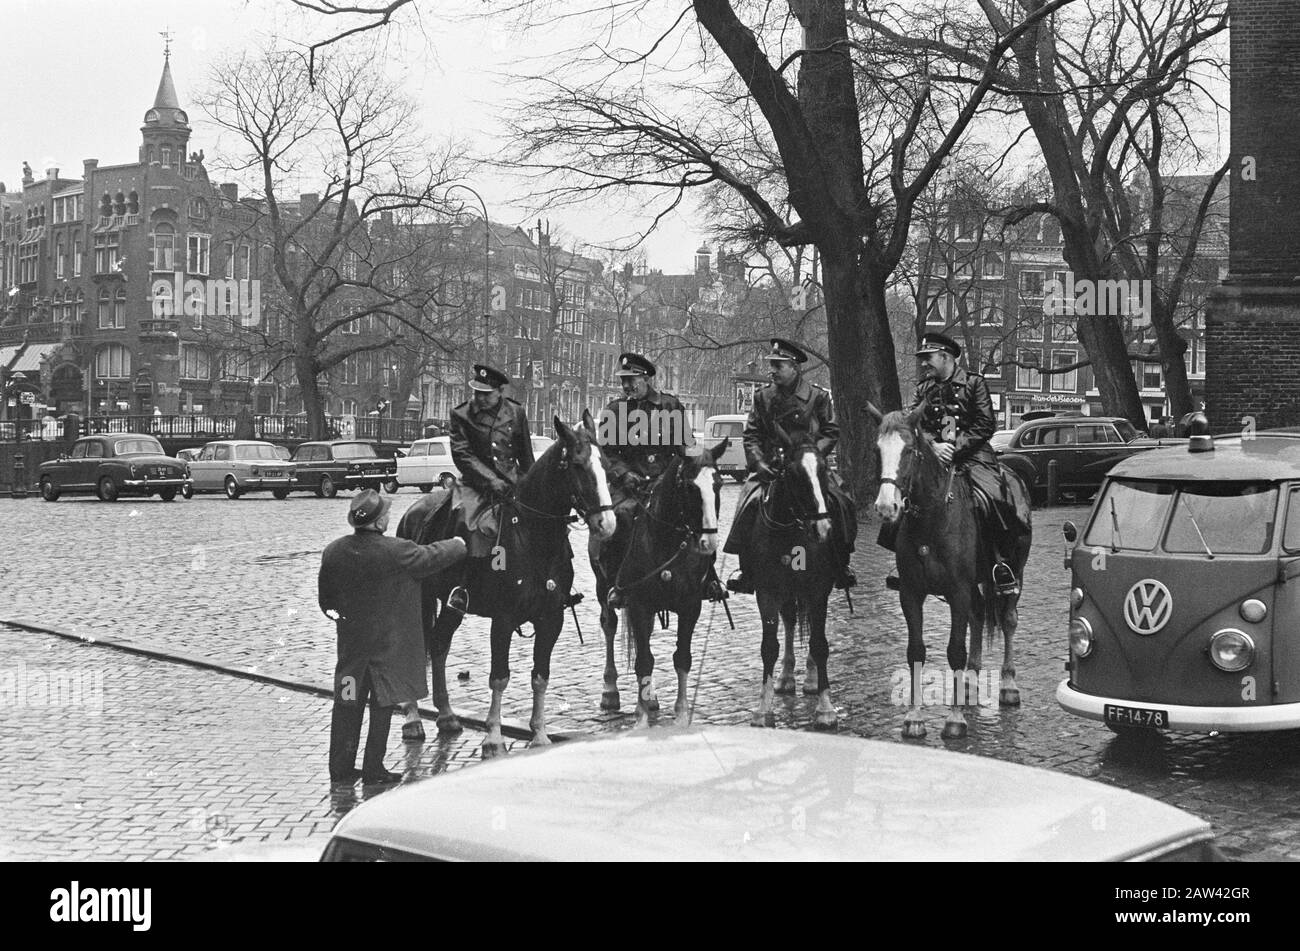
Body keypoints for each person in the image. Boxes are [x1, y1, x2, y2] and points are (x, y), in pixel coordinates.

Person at [319, 490, 468, 785]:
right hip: (386, 654)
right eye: (385, 514)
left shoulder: (333, 551)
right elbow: (432, 556)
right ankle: (374, 769)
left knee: (346, 706)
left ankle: (341, 768)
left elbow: (327, 603)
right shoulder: (397, 551)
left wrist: (345, 622)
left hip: (351, 655)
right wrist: (459, 544)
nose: (389, 516)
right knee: (381, 708)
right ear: (378, 523)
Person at [880, 332, 1031, 595]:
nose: (925, 363)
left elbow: (985, 424)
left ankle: (1001, 563)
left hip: (973, 456)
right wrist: (933, 445)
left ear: (945, 356)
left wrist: (956, 448)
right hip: (932, 457)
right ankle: (905, 566)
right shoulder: (923, 388)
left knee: (995, 499)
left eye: (928, 358)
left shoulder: (975, 383)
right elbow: (912, 425)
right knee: (902, 496)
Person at [724, 339, 857, 593]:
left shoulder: (817, 396)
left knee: (842, 502)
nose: (771, 371)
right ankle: (746, 570)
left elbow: (830, 430)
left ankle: (842, 564)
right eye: (771, 365)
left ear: (794, 367)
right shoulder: (762, 397)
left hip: (809, 468)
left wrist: (810, 457)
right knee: (747, 503)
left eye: (778, 365)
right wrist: (759, 463)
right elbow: (752, 435)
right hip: (773, 468)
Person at [596, 352, 725, 603]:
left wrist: (704, 457)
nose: (626, 386)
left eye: (631, 380)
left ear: (646, 379)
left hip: (667, 482)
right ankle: (616, 583)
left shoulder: (670, 406)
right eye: (623, 380)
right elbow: (607, 453)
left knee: (701, 512)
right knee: (619, 520)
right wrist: (625, 474)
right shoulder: (615, 410)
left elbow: (687, 445)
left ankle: (709, 577)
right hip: (631, 485)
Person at [446, 364, 536, 613]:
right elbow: (462, 455)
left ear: (499, 392)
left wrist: (532, 487)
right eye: (476, 392)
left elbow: (526, 457)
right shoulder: (461, 414)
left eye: (486, 393)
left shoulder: (516, 413)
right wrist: (490, 480)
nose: (479, 398)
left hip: (511, 483)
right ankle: (463, 586)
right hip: (476, 485)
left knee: (541, 521)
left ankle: (552, 580)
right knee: (472, 524)